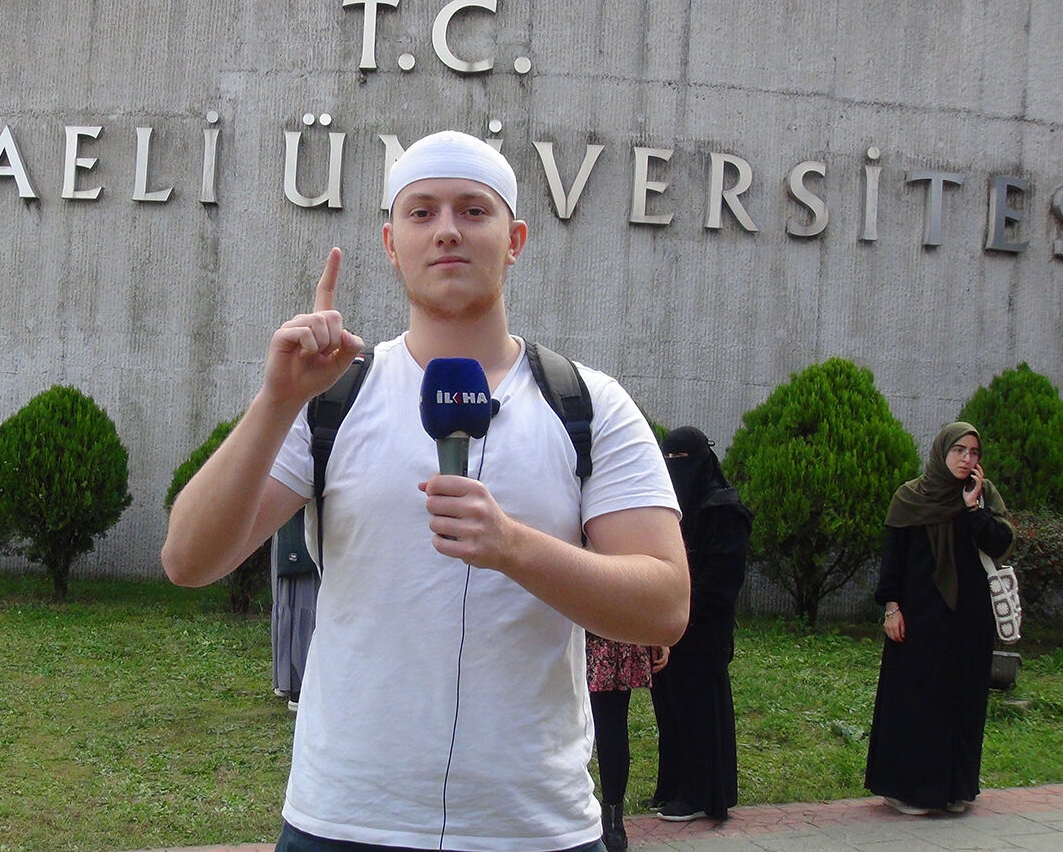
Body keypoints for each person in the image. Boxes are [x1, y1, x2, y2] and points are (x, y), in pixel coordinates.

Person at [161, 130, 690, 852]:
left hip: (534, 827)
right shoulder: (331, 399)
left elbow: (665, 606)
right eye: (421, 212)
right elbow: (188, 560)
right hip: (343, 820)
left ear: (515, 240)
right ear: (391, 242)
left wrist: (514, 549)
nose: (447, 231)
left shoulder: (588, 405)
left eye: (473, 210)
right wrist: (276, 401)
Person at [864, 421, 1014, 816]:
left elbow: (1000, 543)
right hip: (920, 617)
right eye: (959, 450)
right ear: (941, 452)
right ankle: (907, 791)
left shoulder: (983, 494)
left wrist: (973, 508)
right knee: (915, 701)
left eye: (974, 452)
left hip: (969, 620)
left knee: (964, 701)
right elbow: (894, 560)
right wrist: (891, 608)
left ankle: (954, 790)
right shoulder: (911, 497)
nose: (966, 459)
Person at [649, 426, 751, 822]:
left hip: (703, 630)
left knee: (700, 711)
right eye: (668, 459)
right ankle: (673, 787)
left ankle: (701, 793)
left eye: (682, 460)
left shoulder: (723, 510)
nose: (676, 468)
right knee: (670, 709)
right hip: (667, 628)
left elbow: (723, 578)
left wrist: (684, 610)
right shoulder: (669, 509)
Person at [587, 637, 667, 851]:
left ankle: (613, 818)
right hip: (565, 639)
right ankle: (567, 810)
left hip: (610, 641)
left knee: (611, 726)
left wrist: (655, 634)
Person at [271, 508, 319, 710]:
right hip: (301, 526)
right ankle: (298, 684)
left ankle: (289, 679)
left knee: (293, 600)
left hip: (293, 523)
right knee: (303, 599)